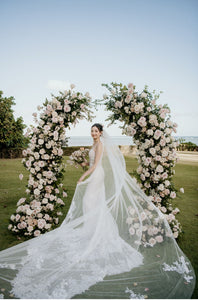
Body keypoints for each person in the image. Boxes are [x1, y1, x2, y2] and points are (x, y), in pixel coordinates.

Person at [0, 123, 195, 299]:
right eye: (92, 131)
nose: (93, 133)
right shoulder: (93, 145)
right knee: (92, 205)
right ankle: (93, 232)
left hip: (96, 176)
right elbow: (90, 163)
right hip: (94, 174)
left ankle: (97, 235)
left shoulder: (100, 145)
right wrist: (81, 162)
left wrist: (82, 176)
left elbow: (96, 165)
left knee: (90, 202)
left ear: (101, 133)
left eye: (96, 131)